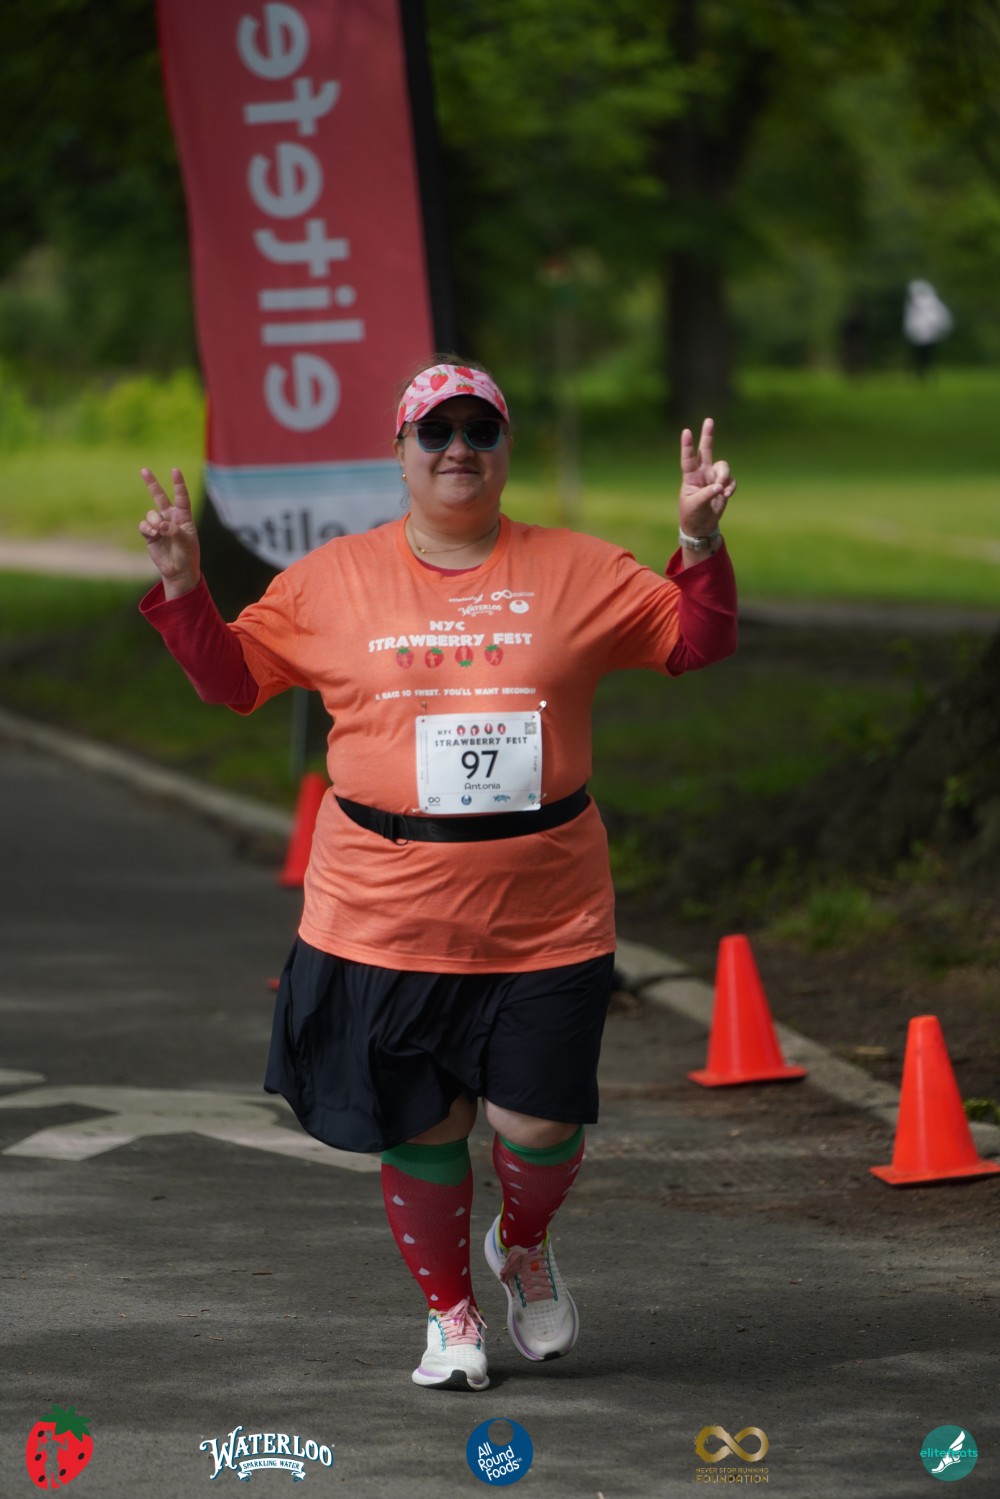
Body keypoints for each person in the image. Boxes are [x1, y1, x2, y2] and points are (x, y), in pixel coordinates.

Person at [138, 357, 738, 1393]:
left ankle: (524, 1243)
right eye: (436, 431)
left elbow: (695, 641)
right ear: (402, 452)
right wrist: (187, 585)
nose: (458, 447)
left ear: (505, 449)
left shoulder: (579, 568)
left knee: (539, 1125)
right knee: (423, 1124)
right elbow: (231, 679)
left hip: (545, 910)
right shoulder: (333, 579)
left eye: (480, 429)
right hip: (385, 911)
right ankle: (450, 1312)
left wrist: (698, 543)